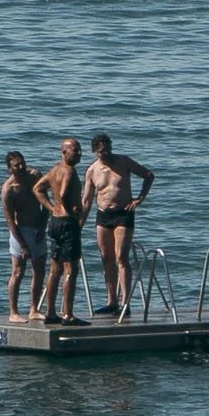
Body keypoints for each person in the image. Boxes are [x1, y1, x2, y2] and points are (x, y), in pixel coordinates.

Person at [84, 133, 155, 317]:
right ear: (94, 152)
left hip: (123, 213)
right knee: (106, 257)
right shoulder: (92, 170)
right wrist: (79, 221)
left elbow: (148, 175)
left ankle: (125, 303)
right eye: (101, 152)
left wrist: (139, 199)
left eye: (108, 150)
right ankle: (111, 301)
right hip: (103, 215)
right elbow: (87, 199)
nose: (105, 154)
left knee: (121, 257)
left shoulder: (123, 162)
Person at [32, 136, 90, 324]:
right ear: (64, 152)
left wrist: (51, 207)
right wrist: (70, 208)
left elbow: (37, 188)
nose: (79, 153)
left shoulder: (54, 170)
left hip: (55, 221)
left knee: (54, 269)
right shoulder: (69, 171)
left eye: (80, 150)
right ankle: (68, 314)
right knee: (70, 270)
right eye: (75, 150)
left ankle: (50, 312)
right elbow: (64, 193)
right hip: (66, 222)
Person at [0, 150, 49, 321]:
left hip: (38, 229)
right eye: (16, 166)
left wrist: (43, 228)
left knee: (40, 270)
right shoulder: (9, 189)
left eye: (23, 164)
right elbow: (9, 220)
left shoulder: (35, 176)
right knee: (18, 271)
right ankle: (13, 312)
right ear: (9, 169)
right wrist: (22, 245)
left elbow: (46, 203)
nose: (21, 168)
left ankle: (34, 309)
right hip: (20, 232)